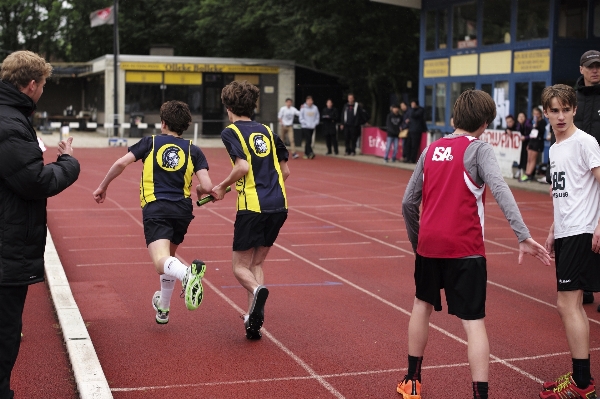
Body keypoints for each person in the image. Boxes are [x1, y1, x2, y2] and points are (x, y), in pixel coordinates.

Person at [400, 89, 551, 399]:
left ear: (455, 117)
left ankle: (412, 381)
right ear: (484, 123)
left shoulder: (431, 150)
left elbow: (407, 202)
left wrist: (419, 241)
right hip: (465, 249)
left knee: (421, 306)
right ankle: (480, 395)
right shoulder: (479, 149)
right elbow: (501, 190)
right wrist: (522, 235)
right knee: (474, 323)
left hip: (429, 246)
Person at [0, 50, 80, 399]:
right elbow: (33, 181)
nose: (44, 90)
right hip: (6, 244)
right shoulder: (10, 122)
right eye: (44, 84)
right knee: (4, 331)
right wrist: (68, 163)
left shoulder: (11, 117)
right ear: (31, 85)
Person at [93, 100, 213, 324]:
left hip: (157, 207)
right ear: (185, 125)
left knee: (161, 262)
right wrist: (202, 190)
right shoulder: (193, 150)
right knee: (168, 261)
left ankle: (188, 274)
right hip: (182, 211)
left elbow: (121, 163)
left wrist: (103, 186)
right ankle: (163, 309)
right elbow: (206, 186)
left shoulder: (150, 143)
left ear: (163, 123)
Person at [211, 80, 290, 340]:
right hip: (279, 205)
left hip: (252, 207)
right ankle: (252, 320)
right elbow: (285, 170)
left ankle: (257, 293)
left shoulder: (231, 132)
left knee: (239, 267)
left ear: (228, 107)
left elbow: (243, 167)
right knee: (256, 262)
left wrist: (222, 186)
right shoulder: (269, 131)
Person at [538, 84, 600, 399]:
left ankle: (583, 382)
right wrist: (552, 229)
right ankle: (580, 377)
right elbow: (565, 194)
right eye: (554, 110)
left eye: (566, 109)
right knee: (569, 305)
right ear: (545, 112)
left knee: (568, 304)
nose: (560, 116)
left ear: (575, 109)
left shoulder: (585, 142)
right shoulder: (554, 148)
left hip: (581, 231)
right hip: (565, 231)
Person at [573, 50, 600, 308]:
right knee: (580, 232)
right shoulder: (572, 99)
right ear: (581, 69)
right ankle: (586, 286)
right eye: (591, 66)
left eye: (599, 66)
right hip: (577, 178)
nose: (596, 70)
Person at [520, 106, 547, 182]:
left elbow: (541, 131)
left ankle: (529, 174)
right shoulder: (532, 122)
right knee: (529, 159)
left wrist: (537, 124)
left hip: (538, 142)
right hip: (532, 141)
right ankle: (526, 173)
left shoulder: (542, 122)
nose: (536, 115)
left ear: (540, 114)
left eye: (537, 114)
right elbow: (531, 133)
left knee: (533, 159)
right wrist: (528, 143)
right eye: (534, 114)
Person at [405, 99, 427, 163]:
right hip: (411, 129)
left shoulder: (420, 110)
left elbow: (414, 115)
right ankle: (407, 158)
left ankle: (412, 159)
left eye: (413, 104)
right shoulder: (412, 111)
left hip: (417, 130)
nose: (412, 105)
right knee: (408, 144)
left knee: (414, 145)